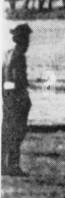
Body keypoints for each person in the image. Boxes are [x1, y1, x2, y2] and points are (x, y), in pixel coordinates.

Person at [2, 23, 33, 177]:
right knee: (17, 132)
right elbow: (17, 80)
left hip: (7, 98)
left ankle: (3, 164)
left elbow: (3, 79)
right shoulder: (18, 56)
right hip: (16, 98)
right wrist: (22, 97)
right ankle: (13, 165)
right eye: (26, 39)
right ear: (22, 40)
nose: (28, 42)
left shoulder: (7, 54)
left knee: (7, 131)